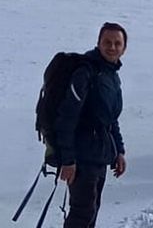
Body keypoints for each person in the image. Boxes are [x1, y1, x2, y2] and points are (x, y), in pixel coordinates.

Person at [55, 22, 128, 228]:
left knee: (91, 210)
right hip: (81, 157)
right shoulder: (85, 73)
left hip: (100, 155)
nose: (112, 47)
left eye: (117, 43)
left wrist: (119, 151)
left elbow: (110, 119)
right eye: (107, 42)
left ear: (124, 48)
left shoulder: (111, 74)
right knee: (82, 213)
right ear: (98, 43)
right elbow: (67, 117)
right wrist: (68, 160)